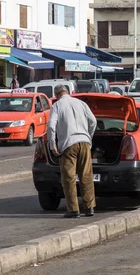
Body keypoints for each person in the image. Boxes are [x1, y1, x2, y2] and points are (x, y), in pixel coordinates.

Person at [48, 84, 98, 218]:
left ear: (57, 95)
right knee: (86, 176)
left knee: (69, 178)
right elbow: (93, 121)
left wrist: (53, 146)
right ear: (68, 92)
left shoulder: (57, 106)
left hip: (68, 144)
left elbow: (51, 126)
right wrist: (88, 136)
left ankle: (74, 210)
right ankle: (90, 208)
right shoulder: (80, 103)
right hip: (84, 142)